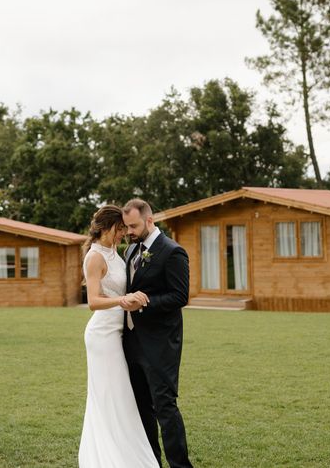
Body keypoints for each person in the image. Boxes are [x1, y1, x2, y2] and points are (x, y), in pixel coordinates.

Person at [79, 205, 160, 468]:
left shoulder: (116, 252)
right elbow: (92, 301)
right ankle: (108, 456)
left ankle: (126, 451)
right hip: (102, 335)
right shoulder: (94, 258)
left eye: (125, 229)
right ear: (105, 227)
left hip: (118, 333)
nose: (123, 234)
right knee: (110, 395)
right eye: (119, 229)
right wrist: (122, 300)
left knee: (121, 395)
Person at [121, 199, 193, 468]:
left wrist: (145, 302)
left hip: (161, 344)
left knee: (165, 407)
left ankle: (180, 466)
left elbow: (179, 296)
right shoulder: (130, 251)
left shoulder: (172, 251)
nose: (129, 231)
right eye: (126, 226)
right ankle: (151, 462)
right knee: (142, 408)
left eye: (133, 225)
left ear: (149, 220)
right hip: (132, 342)